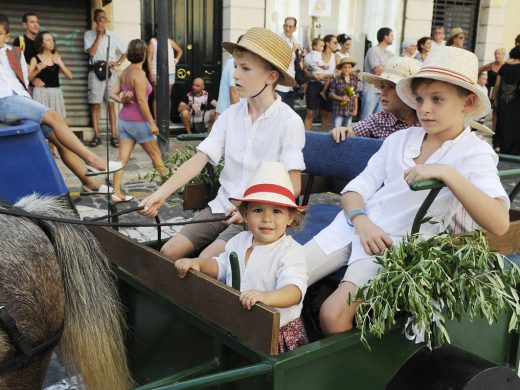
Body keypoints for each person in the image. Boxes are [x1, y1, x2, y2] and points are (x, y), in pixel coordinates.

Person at [306, 46, 509, 335]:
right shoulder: (400, 140)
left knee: (333, 314)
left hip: (394, 245)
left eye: (437, 99)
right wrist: (361, 221)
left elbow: (500, 222)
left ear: (467, 102)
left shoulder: (474, 153)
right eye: (420, 99)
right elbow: (355, 190)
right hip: (355, 225)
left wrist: (447, 173)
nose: (424, 109)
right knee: (284, 280)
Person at [139, 27, 306, 263]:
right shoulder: (230, 115)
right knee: (168, 252)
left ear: (271, 77)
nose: (235, 75)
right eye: (235, 66)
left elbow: (294, 185)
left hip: (257, 215)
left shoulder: (289, 122)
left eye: (245, 68)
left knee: (205, 260)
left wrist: (248, 209)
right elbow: (200, 158)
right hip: (221, 205)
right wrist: (160, 194)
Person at [175, 161, 308, 352]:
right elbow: (221, 266)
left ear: (290, 217)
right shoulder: (239, 240)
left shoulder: (290, 251)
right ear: (245, 215)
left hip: (274, 331)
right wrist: (199, 264)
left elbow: (294, 291)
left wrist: (267, 297)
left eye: (277, 211)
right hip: (239, 321)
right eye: (258, 210)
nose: (267, 219)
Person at [0, 14, 122, 178]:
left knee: (61, 141)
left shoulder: (15, 52)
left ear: (7, 36)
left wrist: (33, 78)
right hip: (4, 101)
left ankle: (89, 183)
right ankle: (92, 160)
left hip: (22, 101)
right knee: (54, 116)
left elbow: (23, 79)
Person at [109, 39, 165, 203]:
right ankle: (170, 188)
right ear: (144, 54)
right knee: (156, 155)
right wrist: (152, 123)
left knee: (122, 159)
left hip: (125, 121)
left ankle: (116, 192)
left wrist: (122, 101)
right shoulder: (139, 74)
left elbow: (112, 94)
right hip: (139, 123)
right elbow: (142, 101)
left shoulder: (125, 72)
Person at [331, 56, 422, 141]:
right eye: (382, 86)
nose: (383, 92)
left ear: (408, 92)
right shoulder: (380, 120)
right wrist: (343, 131)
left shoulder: (425, 123)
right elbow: (353, 131)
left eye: (391, 87)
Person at [84, 8, 126, 148]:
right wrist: (99, 37)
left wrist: (118, 62)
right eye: (99, 18)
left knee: (111, 103)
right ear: (95, 20)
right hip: (95, 70)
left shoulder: (113, 36)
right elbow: (91, 52)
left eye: (104, 18)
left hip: (109, 71)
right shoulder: (89, 34)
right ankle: (97, 135)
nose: (102, 20)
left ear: (106, 20)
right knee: (95, 104)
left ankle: (114, 135)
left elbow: (125, 52)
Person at [147, 30, 183, 119]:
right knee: (156, 96)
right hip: (156, 72)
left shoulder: (169, 41)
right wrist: (151, 72)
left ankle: (167, 118)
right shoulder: (153, 42)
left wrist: (175, 61)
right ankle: (156, 118)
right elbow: (149, 58)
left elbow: (180, 51)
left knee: (168, 96)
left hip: (170, 72)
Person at [360, 27, 394, 120]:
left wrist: (385, 68)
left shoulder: (389, 53)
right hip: (371, 90)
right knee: (366, 120)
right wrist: (389, 70)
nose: (393, 38)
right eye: (391, 35)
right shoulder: (373, 50)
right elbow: (377, 71)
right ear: (385, 37)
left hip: (382, 91)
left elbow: (394, 69)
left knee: (378, 121)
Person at [491, 46, 520, 154]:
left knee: (501, 124)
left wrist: (493, 100)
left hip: (502, 102)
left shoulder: (504, 67)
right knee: (515, 126)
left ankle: (500, 147)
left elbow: (497, 85)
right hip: (516, 103)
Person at [275, 17, 300, 109]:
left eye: (290, 26)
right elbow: (277, 59)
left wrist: (301, 55)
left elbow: (295, 62)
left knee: (289, 113)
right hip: (279, 84)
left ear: (295, 28)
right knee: (277, 112)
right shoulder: (278, 39)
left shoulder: (295, 39)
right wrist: (291, 50)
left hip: (291, 84)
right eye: (286, 26)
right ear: (283, 26)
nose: (287, 29)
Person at [12, 12, 43, 87]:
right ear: (25, 25)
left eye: (37, 22)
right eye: (32, 22)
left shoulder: (43, 41)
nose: (36, 25)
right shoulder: (19, 40)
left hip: (43, 86)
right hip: (26, 86)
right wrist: (32, 79)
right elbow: (14, 63)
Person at [330, 57, 358, 128]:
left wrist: (355, 109)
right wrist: (340, 98)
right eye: (344, 67)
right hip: (338, 110)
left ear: (351, 68)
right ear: (341, 68)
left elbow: (355, 96)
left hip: (349, 110)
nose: (347, 69)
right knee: (336, 130)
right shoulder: (336, 79)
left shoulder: (354, 80)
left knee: (347, 132)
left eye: (349, 67)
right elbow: (331, 93)